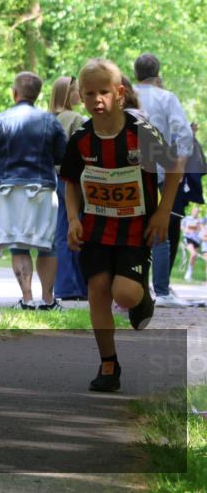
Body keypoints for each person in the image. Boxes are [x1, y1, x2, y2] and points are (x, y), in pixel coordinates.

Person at [61, 59, 181, 392]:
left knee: (124, 294)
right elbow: (70, 182)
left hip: (135, 230)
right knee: (98, 292)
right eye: (89, 93)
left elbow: (174, 167)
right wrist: (72, 219)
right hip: (96, 230)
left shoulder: (140, 132)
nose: (96, 99)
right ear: (81, 97)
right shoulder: (81, 139)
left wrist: (163, 213)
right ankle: (108, 365)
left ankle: (142, 299)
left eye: (104, 92)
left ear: (120, 93)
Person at [0, 72, 66, 311]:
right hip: (41, 188)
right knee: (47, 244)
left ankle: (27, 300)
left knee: (19, 244)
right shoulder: (51, 121)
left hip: (8, 190)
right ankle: (48, 300)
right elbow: (62, 156)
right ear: (37, 94)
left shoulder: (0, 120)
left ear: (14, 93)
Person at [133, 54, 194, 308]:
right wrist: (180, 164)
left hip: (126, 170)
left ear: (135, 72)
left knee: (128, 229)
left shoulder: (125, 95)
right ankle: (161, 290)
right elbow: (184, 133)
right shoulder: (166, 98)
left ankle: (132, 288)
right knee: (160, 230)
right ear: (157, 72)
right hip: (158, 171)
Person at [49, 75, 89, 301]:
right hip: (72, 180)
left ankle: (64, 285)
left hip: (52, 179)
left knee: (61, 231)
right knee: (76, 229)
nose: (79, 94)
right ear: (67, 94)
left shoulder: (48, 119)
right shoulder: (76, 119)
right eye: (75, 90)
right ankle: (78, 286)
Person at [182, 205, 202, 281]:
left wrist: (198, 226)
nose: (196, 212)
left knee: (194, 257)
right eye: (195, 211)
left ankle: (190, 273)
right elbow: (182, 227)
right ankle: (188, 274)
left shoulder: (199, 221)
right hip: (188, 238)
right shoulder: (186, 218)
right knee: (193, 254)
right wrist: (185, 230)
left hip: (196, 240)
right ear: (192, 211)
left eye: (197, 211)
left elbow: (200, 230)